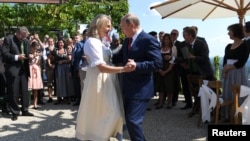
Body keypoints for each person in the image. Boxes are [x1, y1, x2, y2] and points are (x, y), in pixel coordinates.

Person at [75, 14, 134, 141]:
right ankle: (99, 136)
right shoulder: (92, 42)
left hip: (107, 79)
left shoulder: (100, 42)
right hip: (98, 80)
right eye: (108, 26)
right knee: (105, 111)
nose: (110, 28)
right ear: (99, 25)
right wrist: (123, 69)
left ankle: (103, 136)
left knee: (107, 111)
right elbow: (100, 67)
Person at [113, 13, 163, 141]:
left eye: (123, 28)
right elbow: (119, 57)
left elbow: (158, 63)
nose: (122, 31)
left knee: (133, 120)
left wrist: (138, 65)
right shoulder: (127, 40)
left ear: (132, 25)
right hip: (128, 88)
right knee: (129, 121)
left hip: (141, 89)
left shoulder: (148, 40)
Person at [1, 26, 34, 121]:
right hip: (13, 69)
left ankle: (25, 109)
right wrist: (16, 57)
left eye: (25, 36)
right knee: (13, 92)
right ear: (18, 33)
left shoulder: (26, 41)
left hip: (24, 70)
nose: (24, 38)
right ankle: (15, 112)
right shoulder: (9, 39)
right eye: (23, 36)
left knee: (24, 91)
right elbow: (4, 54)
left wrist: (30, 56)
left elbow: (27, 53)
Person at [222, 23, 249, 121]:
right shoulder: (228, 46)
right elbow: (225, 60)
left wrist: (228, 69)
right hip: (228, 73)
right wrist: (224, 71)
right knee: (228, 93)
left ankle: (239, 116)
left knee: (238, 94)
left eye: (230, 31)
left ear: (235, 32)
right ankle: (228, 116)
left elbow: (242, 62)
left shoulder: (244, 45)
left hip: (238, 73)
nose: (228, 33)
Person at [28, 42, 43, 109]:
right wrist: (35, 55)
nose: (35, 49)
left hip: (36, 70)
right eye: (34, 48)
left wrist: (38, 57)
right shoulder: (29, 53)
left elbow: (39, 63)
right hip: (29, 69)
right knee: (28, 87)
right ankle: (27, 102)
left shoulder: (38, 54)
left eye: (36, 48)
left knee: (36, 88)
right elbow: (29, 59)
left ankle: (35, 103)